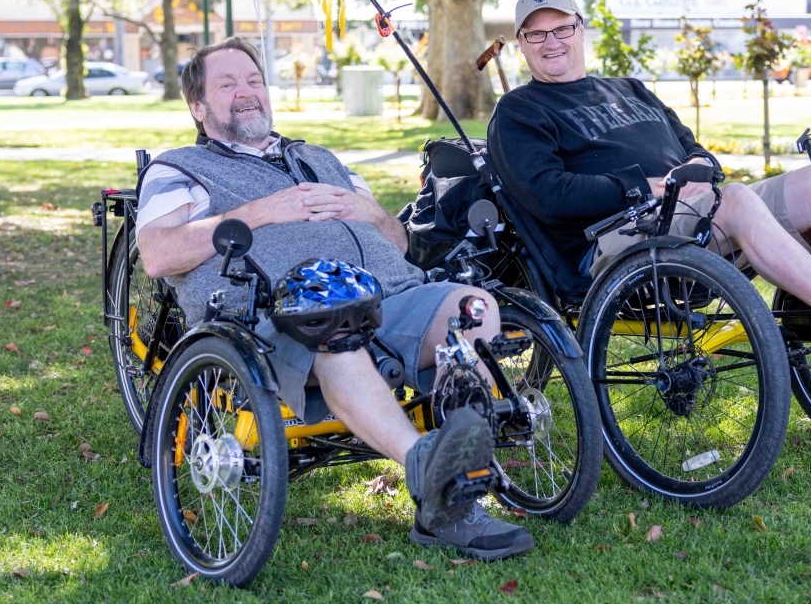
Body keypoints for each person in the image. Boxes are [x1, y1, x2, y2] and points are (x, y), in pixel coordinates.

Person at [136, 37, 533, 560]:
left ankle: (457, 470)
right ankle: (432, 477)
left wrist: (365, 210)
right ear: (198, 106)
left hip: (390, 293)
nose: (246, 92)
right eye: (227, 83)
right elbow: (159, 255)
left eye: (254, 80)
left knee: (474, 308)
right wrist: (262, 211)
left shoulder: (319, 157)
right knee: (335, 331)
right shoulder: (179, 168)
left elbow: (398, 243)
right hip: (287, 311)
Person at [489, 0, 811, 425]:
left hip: (694, 210)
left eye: (561, 29)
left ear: (580, 29)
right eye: (536, 34)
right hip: (616, 239)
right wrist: (648, 187)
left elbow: (697, 150)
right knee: (740, 200)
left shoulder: (629, 89)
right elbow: (549, 195)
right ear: (521, 46)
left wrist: (696, 170)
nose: (552, 42)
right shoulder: (519, 111)